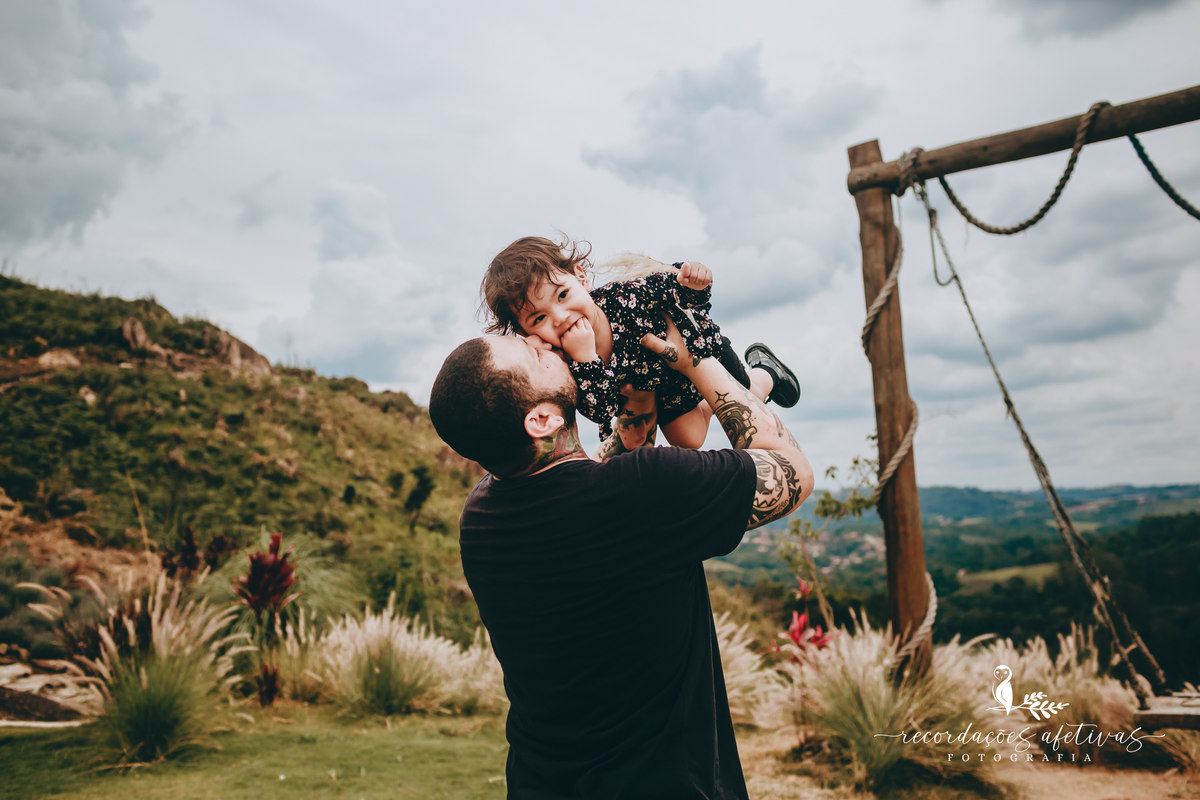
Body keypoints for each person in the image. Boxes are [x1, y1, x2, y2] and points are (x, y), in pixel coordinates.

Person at [429, 312, 814, 799]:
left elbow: (591, 483)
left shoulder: (482, 514)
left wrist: (632, 407)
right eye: (533, 352)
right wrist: (695, 359)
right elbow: (792, 471)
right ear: (542, 419)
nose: (540, 340)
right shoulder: (640, 492)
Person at [480, 235, 800, 449]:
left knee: (743, 393)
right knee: (688, 439)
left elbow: (671, 287)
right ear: (527, 332)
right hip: (656, 388)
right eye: (539, 319)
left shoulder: (625, 295)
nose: (560, 316)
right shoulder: (565, 361)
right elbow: (601, 409)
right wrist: (586, 358)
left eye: (562, 295)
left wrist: (691, 281)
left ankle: (767, 372)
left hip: (693, 350)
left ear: (580, 277)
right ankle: (706, 401)